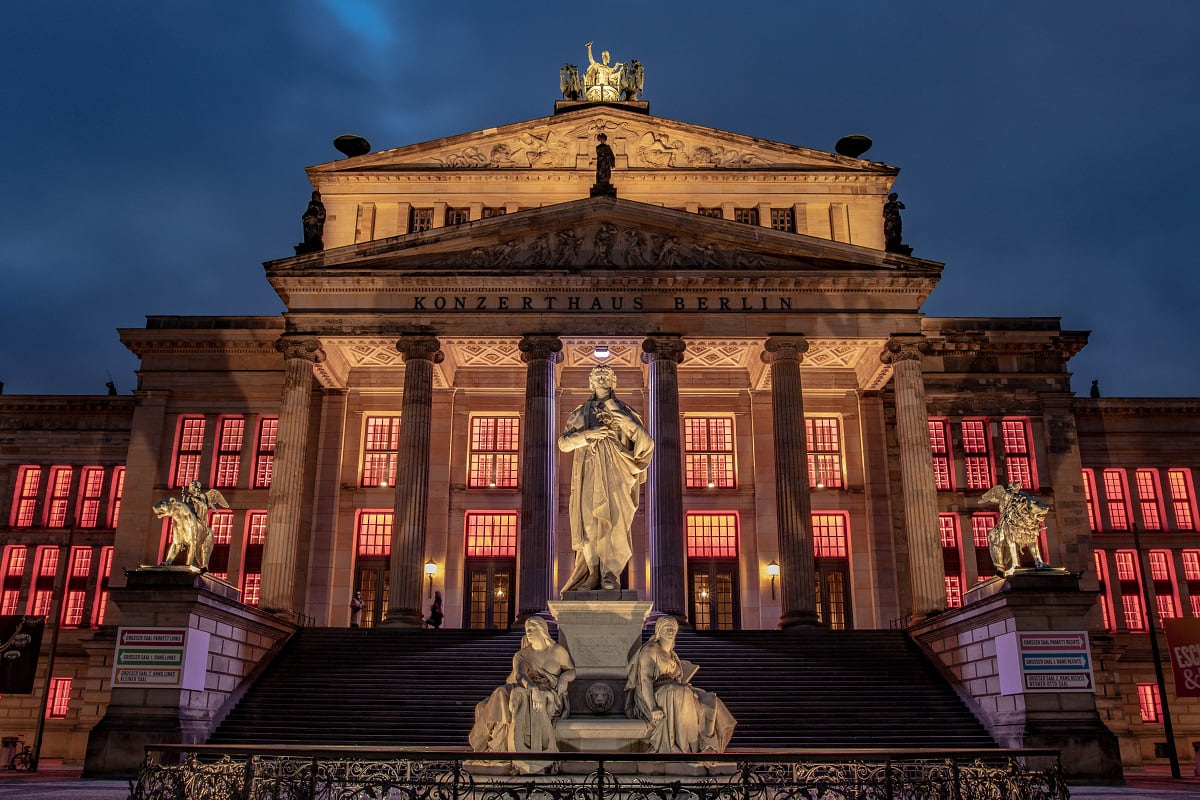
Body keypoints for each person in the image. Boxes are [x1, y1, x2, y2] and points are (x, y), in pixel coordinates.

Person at [558, 365, 654, 593]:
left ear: (613, 382)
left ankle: (610, 575)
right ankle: (592, 574)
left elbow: (646, 442)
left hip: (617, 473)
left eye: (606, 376)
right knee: (589, 524)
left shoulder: (625, 411)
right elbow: (563, 443)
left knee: (615, 525)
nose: (602, 379)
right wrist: (586, 435)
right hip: (589, 473)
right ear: (591, 382)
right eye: (597, 376)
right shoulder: (579, 413)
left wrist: (622, 419)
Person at [625, 617, 736, 753]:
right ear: (658, 631)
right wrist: (653, 707)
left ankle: (707, 744)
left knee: (710, 699)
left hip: (674, 688)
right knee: (681, 693)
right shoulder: (650, 650)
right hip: (655, 692)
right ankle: (687, 748)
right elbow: (645, 680)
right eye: (666, 628)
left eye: (673, 628)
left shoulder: (672, 654)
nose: (670, 631)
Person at [468, 617, 576, 754]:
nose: (528, 633)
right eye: (527, 630)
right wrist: (533, 688)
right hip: (527, 687)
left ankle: (499, 741)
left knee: (513, 697)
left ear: (542, 630)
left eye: (532, 629)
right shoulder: (522, 655)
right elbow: (520, 675)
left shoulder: (558, 651)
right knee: (501, 693)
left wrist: (564, 678)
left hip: (550, 693)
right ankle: (497, 740)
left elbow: (571, 670)